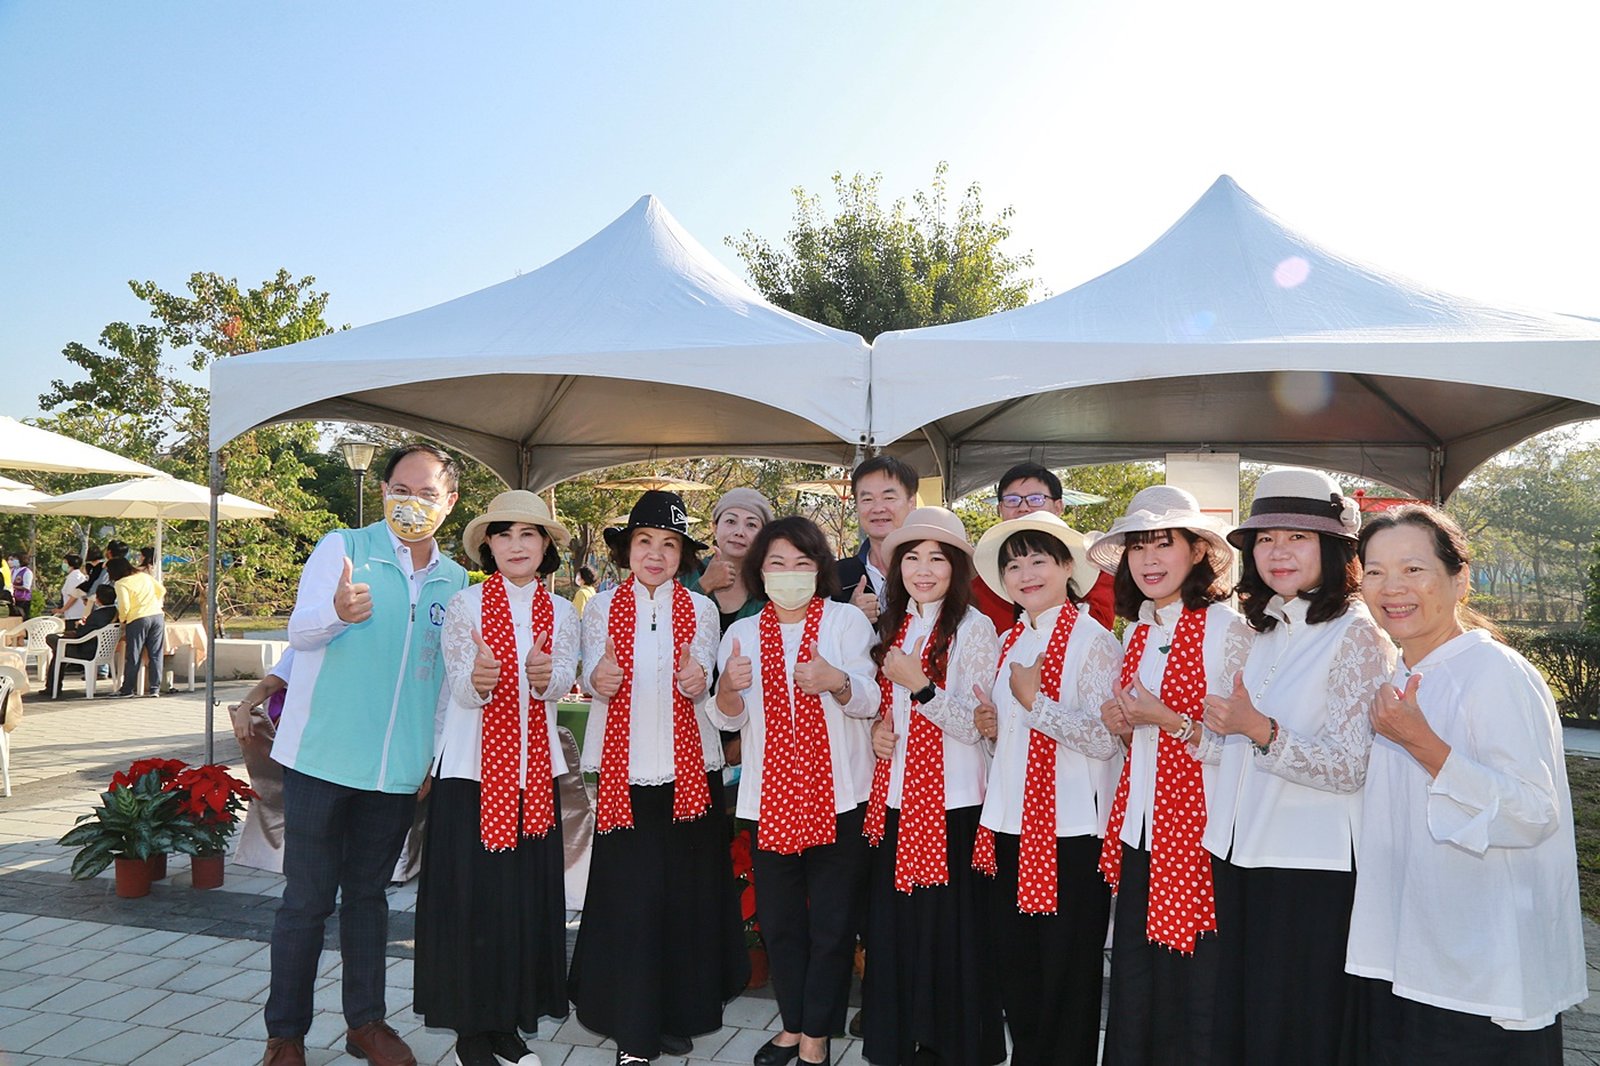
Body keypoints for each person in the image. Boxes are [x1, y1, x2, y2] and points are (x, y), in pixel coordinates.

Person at [1344, 504, 1584, 1063]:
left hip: (1483, 970)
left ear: (1460, 579)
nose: (1392, 587)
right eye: (1375, 572)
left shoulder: (1494, 672)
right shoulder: (1403, 672)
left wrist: (1424, 744)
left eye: (1413, 569)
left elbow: (1533, 812)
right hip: (1411, 953)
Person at [264, 443, 467, 1066]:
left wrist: (430, 758)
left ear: (450, 502)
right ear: (383, 491)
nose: (413, 503)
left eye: (428, 494)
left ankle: (366, 1024)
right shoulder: (344, 547)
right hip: (321, 759)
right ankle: (285, 1036)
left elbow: (444, 686)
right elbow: (299, 633)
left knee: (369, 898)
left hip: (397, 773)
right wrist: (336, 612)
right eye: (402, 490)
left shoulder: (456, 582)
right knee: (306, 902)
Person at [1194, 469, 1394, 1065]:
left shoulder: (1357, 634)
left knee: (1294, 1027)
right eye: (1265, 538)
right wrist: (1178, 725)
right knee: (1244, 1018)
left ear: (1333, 548)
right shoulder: (1262, 629)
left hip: (1310, 865)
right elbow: (1229, 742)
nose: (1277, 551)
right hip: (1239, 853)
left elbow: (1353, 766)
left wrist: (1260, 729)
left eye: (1297, 537)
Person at [569, 490, 747, 1066]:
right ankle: (633, 1028)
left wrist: (699, 682)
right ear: (627, 549)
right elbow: (592, 676)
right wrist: (597, 678)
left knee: (684, 899)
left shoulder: (702, 610)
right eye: (644, 541)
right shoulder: (600, 608)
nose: (655, 554)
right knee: (631, 901)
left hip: (690, 775)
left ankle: (674, 1013)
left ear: (682, 555)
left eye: (669, 544)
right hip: (624, 778)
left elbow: (707, 683)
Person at [1086, 485, 1253, 1066]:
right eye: (1138, 547)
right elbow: (1140, 738)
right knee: (1136, 977)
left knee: (1195, 983)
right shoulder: (1137, 632)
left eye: (1164, 544)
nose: (1149, 559)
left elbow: (1244, 746)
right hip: (1139, 830)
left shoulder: (1228, 631)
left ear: (1197, 551)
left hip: (1198, 839)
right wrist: (1126, 725)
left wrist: (1169, 721)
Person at [416, 490, 578, 1066]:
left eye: (528, 534)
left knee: (521, 902)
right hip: (470, 775)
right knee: (472, 903)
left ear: (545, 545)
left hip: (533, 781)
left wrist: (545, 675)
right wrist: (481, 679)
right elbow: (460, 687)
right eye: (504, 534)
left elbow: (562, 682)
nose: (516, 545)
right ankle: (471, 1029)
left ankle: (508, 1022)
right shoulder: (464, 605)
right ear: (488, 544)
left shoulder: (563, 613)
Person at [710, 515, 878, 1066]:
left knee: (832, 925)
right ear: (760, 571)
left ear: (819, 569)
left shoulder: (845, 623)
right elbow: (727, 720)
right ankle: (793, 1024)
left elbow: (871, 700)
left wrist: (837, 682)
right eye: (777, 563)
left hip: (840, 799)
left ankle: (815, 1038)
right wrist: (728, 691)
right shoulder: (740, 635)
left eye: (802, 563)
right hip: (770, 800)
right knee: (781, 923)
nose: (789, 573)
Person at [971, 510, 1124, 1066]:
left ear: (1067, 568)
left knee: (1068, 973)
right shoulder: (1009, 639)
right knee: (1017, 967)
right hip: (1010, 825)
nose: (1026, 574)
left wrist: (1036, 704)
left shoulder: (1095, 642)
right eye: (1013, 566)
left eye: (1039, 560)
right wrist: (993, 729)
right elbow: (1008, 743)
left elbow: (1104, 740)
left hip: (1071, 832)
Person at [859, 507, 1005, 1066]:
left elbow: (975, 724)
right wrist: (878, 732)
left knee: (951, 933)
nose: (923, 570)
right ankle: (903, 1038)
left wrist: (920, 687)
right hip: (896, 798)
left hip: (954, 803)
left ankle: (952, 1044)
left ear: (957, 568)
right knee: (897, 929)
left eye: (937, 559)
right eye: (912, 558)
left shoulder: (974, 628)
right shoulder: (894, 626)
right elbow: (886, 710)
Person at [972, 463, 1116, 633]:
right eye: (1012, 500)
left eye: (1036, 499)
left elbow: (1097, 629)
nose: (1023, 508)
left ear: (1058, 507)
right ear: (1000, 509)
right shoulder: (982, 582)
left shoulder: (1094, 566)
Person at [834, 456, 919, 625]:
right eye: (867, 499)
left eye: (889, 498)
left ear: (911, 502)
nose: (878, 508)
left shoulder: (933, 572)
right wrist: (848, 618)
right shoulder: (836, 577)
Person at [685, 487, 773, 631]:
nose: (739, 532)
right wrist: (704, 585)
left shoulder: (768, 587)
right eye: (731, 521)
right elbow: (666, 628)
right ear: (715, 527)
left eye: (751, 525)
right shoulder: (687, 573)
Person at [45, 584, 119, 697]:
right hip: (104, 650)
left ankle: (52, 687)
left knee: (52, 639)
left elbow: (81, 634)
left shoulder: (97, 615)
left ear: (98, 599)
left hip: (86, 650)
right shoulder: (115, 612)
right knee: (59, 649)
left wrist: (79, 624)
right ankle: (52, 686)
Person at [108, 555, 165, 698]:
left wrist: (123, 620)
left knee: (134, 654)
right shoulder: (144, 576)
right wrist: (153, 602)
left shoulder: (121, 583)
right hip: (157, 615)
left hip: (138, 618)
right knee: (156, 654)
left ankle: (127, 689)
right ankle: (155, 689)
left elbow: (124, 606)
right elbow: (161, 590)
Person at [57, 553, 89, 623]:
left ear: (71, 564)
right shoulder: (74, 576)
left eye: (65, 562)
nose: (63, 564)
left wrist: (62, 610)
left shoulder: (74, 577)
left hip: (75, 615)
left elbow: (74, 597)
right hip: (74, 614)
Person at [8, 553, 34, 620]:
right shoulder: (13, 570)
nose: (13, 561)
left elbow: (26, 587)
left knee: (24, 617)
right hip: (14, 598)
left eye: (15, 559)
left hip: (23, 599)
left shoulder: (27, 572)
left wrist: (13, 586)